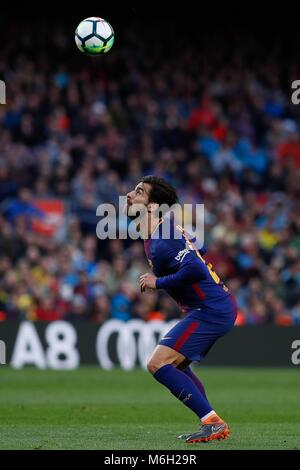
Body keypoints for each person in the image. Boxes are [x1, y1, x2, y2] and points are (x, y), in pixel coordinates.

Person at [125, 175, 237, 443]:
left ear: (152, 206)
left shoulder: (163, 239)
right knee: (178, 365)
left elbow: (196, 267)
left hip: (211, 310)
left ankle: (212, 421)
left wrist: (157, 282)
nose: (129, 195)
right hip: (213, 306)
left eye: (139, 192)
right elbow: (201, 249)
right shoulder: (161, 230)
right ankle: (211, 422)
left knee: (157, 363)